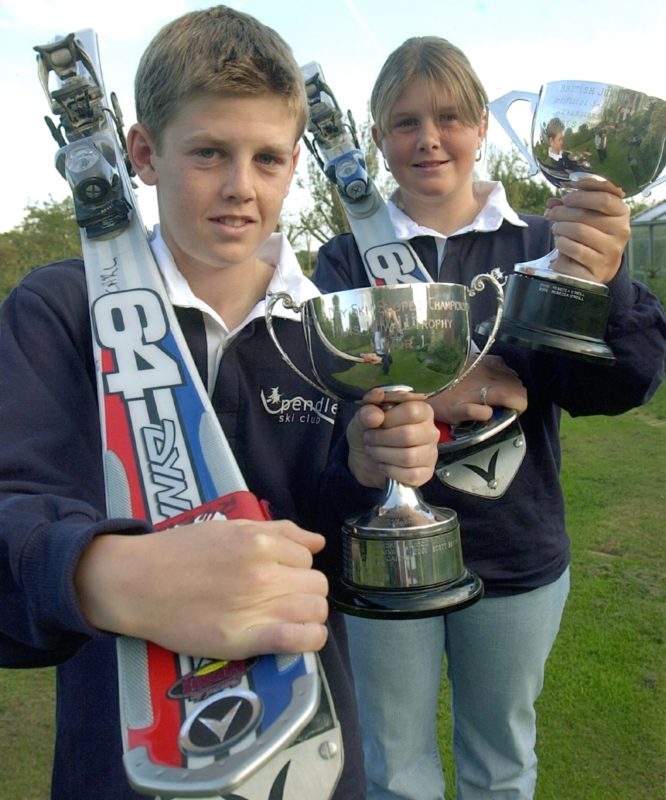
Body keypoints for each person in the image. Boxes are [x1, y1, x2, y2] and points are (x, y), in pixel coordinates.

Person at [0, 10, 440, 800]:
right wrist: (109, 575)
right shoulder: (62, 311)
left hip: (314, 758)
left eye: (268, 158)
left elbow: (333, 563)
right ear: (143, 153)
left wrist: (366, 472)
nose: (242, 187)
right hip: (126, 763)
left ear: (294, 166)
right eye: (209, 153)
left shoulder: (331, 329)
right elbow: (11, 519)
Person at [312, 36, 666, 800]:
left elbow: (617, 385)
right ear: (377, 138)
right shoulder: (344, 258)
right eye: (404, 122)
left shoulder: (549, 237)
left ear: (481, 126)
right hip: (384, 557)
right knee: (394, 768)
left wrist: (611, 283)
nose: (428, 138)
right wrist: (439, 392)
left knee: (500, 765)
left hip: (518, 550)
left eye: (448, 117)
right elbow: (331, 400)